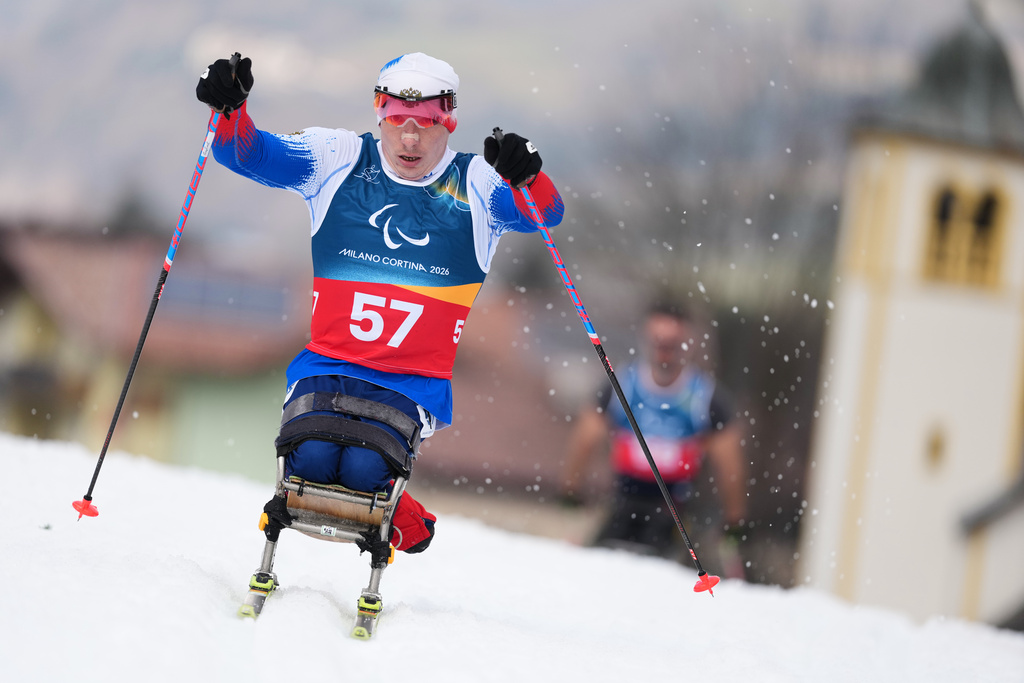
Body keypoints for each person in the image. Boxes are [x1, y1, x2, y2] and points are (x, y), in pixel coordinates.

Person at [196, 51, 564, 554]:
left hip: (412, 380)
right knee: (310, 462)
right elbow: (247, 154)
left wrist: (527, 175)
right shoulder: (338, 158)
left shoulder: (476, 183)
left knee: (367, 467)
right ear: (379, 113)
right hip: (329, 360)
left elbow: (543, 214)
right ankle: (391, 510)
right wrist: (231, 108)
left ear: (449, 119)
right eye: (397, 121)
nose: (410, 138)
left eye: (427, 123)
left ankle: (404, 520)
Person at [560, 300, 747, 568]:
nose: (664, 352)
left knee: (688, 571)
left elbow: (730, 466)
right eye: (658, 342)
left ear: (688, 345)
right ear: (646, 340)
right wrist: (571, 491)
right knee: (592, 567)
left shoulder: (706, 397)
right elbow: (585, 439)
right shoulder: (621, 384)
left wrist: (734, 521)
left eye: (672, 344)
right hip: (622, 502)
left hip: (677, 511)